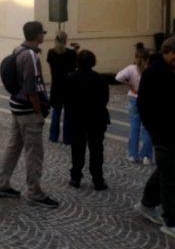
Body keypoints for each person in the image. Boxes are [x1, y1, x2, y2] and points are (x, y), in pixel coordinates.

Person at [135, 37, 175, 243]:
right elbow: (144, 105)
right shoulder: (153, 73)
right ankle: (172, 222)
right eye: (174, 53)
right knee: (171, 179)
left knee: (167, 171)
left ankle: (146, 203)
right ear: (165, 52)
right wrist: (156, 130)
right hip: (162, 134)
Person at [0, 21, 58, 208]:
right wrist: (39, 112)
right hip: (28, 110)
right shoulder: (31, 56)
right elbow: (32, 87)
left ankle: (2, 183)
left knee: (13, 147)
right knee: (34, 153)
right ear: (38, 35)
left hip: (16, 106)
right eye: (42, 33)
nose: (43, 36)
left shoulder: (17, 49)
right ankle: (35, 192)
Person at [64, 49, 110, 191]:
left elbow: (66, 99)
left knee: (77, 149)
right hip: (96, 118)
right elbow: (104, 100)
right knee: (96, 149)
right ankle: (98, 179)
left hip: (76, 119)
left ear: (77, 62)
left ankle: (76, 177)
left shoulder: (70, 78)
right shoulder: (100, 79)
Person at [116, 44, 153, 164]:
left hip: (134, 99)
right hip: (148, 100)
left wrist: (130, 84)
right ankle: (146, 156)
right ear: (148, 58)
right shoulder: (151, 69)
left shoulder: (131, 68)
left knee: (134, 128)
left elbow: (118, 77)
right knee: (148, 129)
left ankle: (132, 154)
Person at [46, 30, 77, 144]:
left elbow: (52, 66)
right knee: (68, 114)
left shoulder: (51, 53)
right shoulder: (71, 54)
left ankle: (53, 136)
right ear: (66, 40)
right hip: (68, 86)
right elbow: (73, 68)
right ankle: (67, 138)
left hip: (56, 86)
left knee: (56, 112)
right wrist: (75, 52)